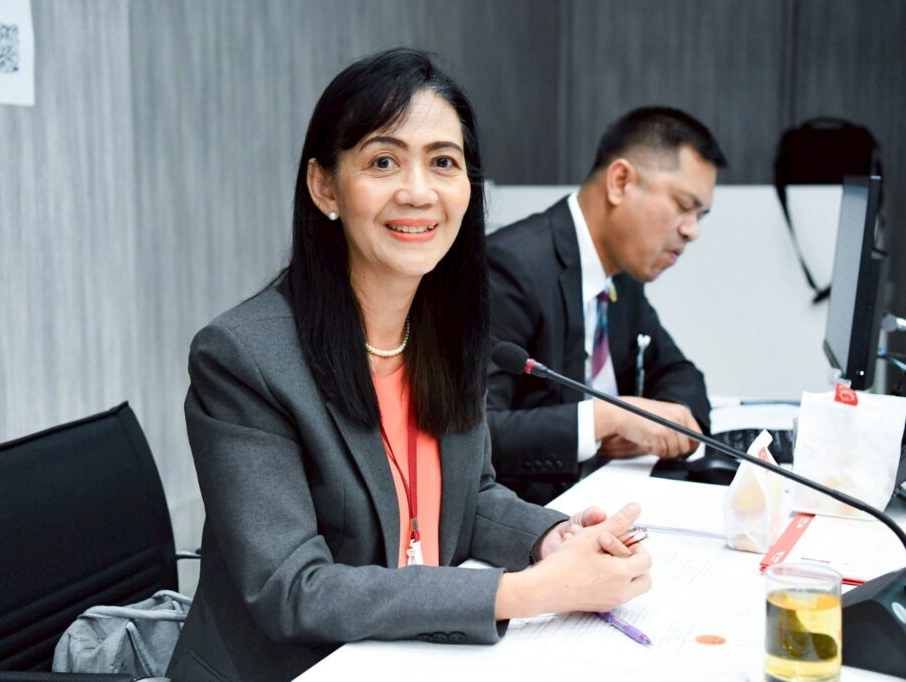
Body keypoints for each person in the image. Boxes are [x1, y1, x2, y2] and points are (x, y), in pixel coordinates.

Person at [167, 49, 651, 682]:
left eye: (443, 162)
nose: (418, 192)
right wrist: (528, 592)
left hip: (408, 660)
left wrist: (548, 538)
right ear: (324, 187)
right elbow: (293, 589)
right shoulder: (244, 358)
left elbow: (469, 498)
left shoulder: (443, 333)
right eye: (383, 161)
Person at [487, 107, 727, 504]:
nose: (692, 231)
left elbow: (679, 372)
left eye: (700, 215)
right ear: (620, 182)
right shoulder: (511, 266)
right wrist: (605, 420)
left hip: (614, 498)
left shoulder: (621, 272)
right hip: (539, 516)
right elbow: (476, 435)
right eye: (684, 206)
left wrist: (664, 421)